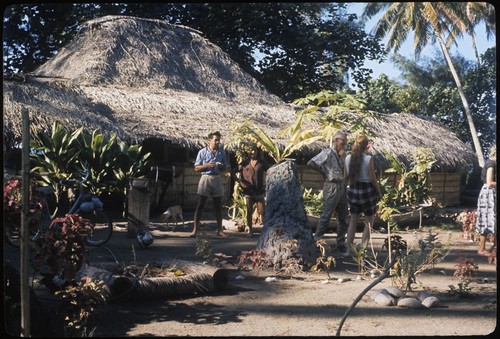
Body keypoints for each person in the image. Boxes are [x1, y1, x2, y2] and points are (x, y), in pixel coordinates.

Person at [307, 131, 349, 252]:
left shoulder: (343, 155)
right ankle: (317, 239)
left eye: (345, 142)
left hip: (341, 185)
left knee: (343, 216)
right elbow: (311, 163)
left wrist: (344, 157)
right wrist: (324, 173)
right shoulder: (327, 153)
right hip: (331, 185)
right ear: (336, 140)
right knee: (327, 214)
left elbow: (346, 170)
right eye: (343, 141)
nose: (344, 144)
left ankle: (340, 241)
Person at [344, 135, 381, 257]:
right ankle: (362, 250)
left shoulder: (348, 158)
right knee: (369, 222)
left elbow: (346, 178)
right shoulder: (369, 159)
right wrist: (378, 191)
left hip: (353, 189)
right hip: (367, 190)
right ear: (367, 146)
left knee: (353, 221)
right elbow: (373, 178)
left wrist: (344, 190)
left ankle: (349, 251)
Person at [190, 131, 230, 237]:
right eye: (215, 140)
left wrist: (222, 167)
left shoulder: (222, 153)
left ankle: (220, 230)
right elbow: (196, 167)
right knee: (201, 205)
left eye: (219, 140)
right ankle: (195, 230)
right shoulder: (202, 152)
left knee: (218, 205)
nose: (217, 142)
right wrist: (206, 165)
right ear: (210, 140)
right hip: (205, 178)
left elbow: (226, 166)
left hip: (217, 178)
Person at [233, 145, 271, 237]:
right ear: (248, 152)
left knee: (262, 211)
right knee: (249, 211)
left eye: (254, 150)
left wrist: (267, 184)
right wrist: (240, 182)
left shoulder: (261, 163)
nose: (252, 152)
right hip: (248, 192)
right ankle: (250, 230)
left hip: (259, 191)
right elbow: (232, 172)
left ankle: (266, 231)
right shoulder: (244, 163)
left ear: (257, 151)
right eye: (250, 150)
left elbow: (270, 170)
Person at [476, 145, 496, 256]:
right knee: (485, 220)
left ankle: (494, 247)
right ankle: (482, 249)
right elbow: (490, 182)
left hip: (493, 193)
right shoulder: (491, 164)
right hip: (489, 194)